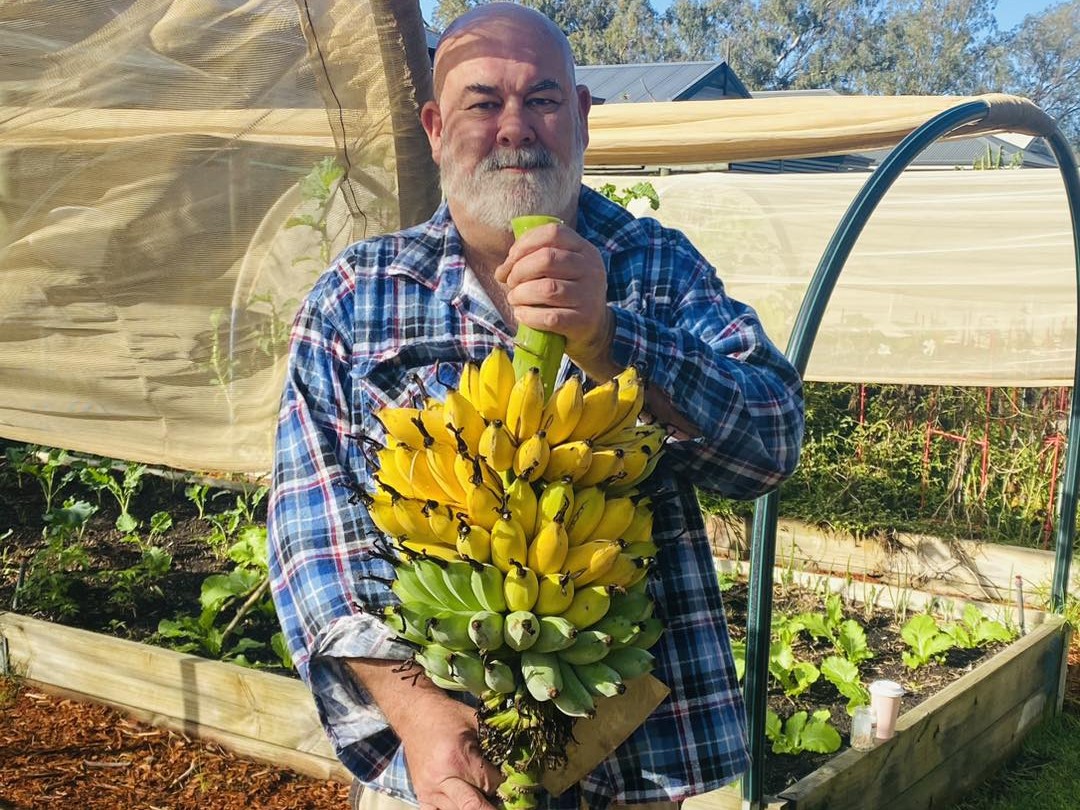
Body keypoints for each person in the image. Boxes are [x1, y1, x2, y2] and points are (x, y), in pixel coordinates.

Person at [267, 4, 805, 810]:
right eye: (484, 102)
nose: (515, 127)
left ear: (582, 117)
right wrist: (418, 717)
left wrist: (614, 340)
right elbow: (313, 536)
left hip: (641, 764)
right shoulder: (357, 295)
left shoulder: (655, 266)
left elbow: (772, 443)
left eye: (543, 99)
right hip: (438, 761)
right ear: (436, 125)